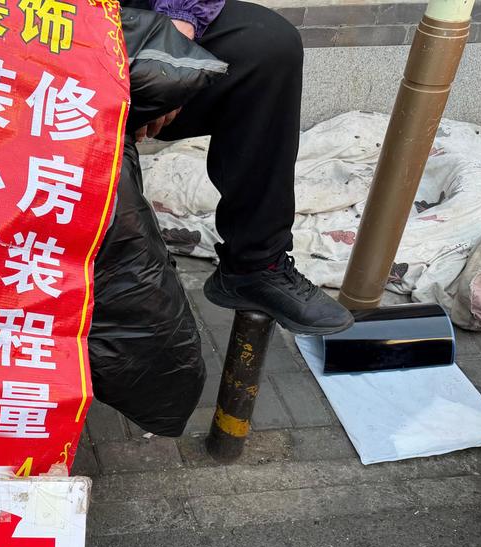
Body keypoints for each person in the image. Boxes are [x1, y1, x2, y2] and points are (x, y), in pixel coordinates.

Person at [127, 0, 355, 335]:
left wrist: (170, 47)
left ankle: (255, 265)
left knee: (267, 47)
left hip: (123, 22)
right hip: (52, 38)